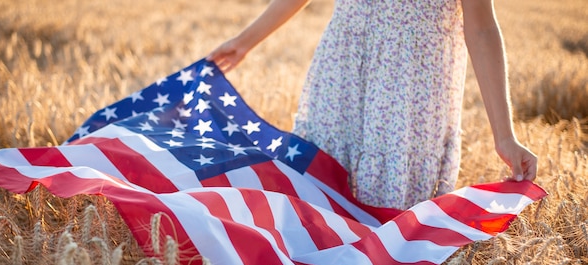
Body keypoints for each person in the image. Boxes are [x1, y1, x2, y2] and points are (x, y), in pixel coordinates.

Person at [207, 0, 538, 209]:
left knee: (386, 213)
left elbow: (480, 29)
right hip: (342, 73)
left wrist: (504, 135)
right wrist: (243, 42)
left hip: (409, 91)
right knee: (320, 196)